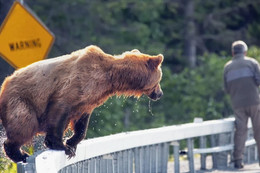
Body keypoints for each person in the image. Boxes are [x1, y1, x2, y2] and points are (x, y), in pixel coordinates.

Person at [223, 40, 260, 169]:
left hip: (237, 103)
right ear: (245, 52)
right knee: (258, 130)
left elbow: (226, 88)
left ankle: (238, 161)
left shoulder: (227, 67)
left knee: (240, 132)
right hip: (254, 102)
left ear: (233, 53)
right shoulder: (252, 63)